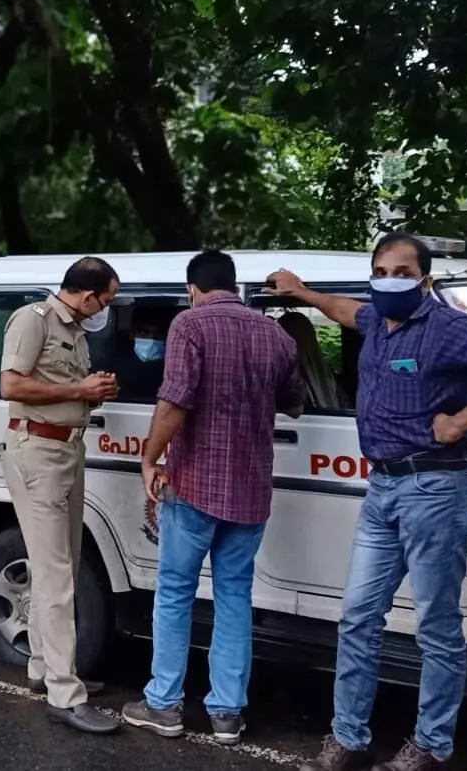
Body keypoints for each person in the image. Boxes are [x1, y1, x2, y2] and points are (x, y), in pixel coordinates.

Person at [269, 233, 467, 771]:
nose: (388, 279)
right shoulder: (376, 320)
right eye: (380, 269)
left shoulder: (447, 327)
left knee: (436, 625)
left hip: (435, 489)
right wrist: (303, 293)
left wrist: (462, 421)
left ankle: (431, 745)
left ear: (424, 280)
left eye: (400, 271)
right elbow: (346, 310)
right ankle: (347, 737)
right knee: (357, 616)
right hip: (384, 489)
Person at [123, 251, 306, 745]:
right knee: (233, 597)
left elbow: (175, 398)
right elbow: (294, 402)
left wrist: (150, 458)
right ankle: (227, 713)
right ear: (235, 285)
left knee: (176, 593)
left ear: (193, 288)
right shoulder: (276, 335)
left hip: (195, 485)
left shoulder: (189, 324)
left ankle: (163, 704)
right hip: (250, 491)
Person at [0, 256, 122, 734]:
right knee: (54, 575)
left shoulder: (76, 332)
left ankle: (45, 669)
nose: (104, 309)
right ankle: (65, 694)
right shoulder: (33, 320)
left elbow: (61, 390)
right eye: (105, 300)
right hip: (37, 451)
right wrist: (78, 387)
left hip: (67, 450)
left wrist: (91, 393)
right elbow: (10, 384)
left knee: (64, 565)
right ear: (87, 295)